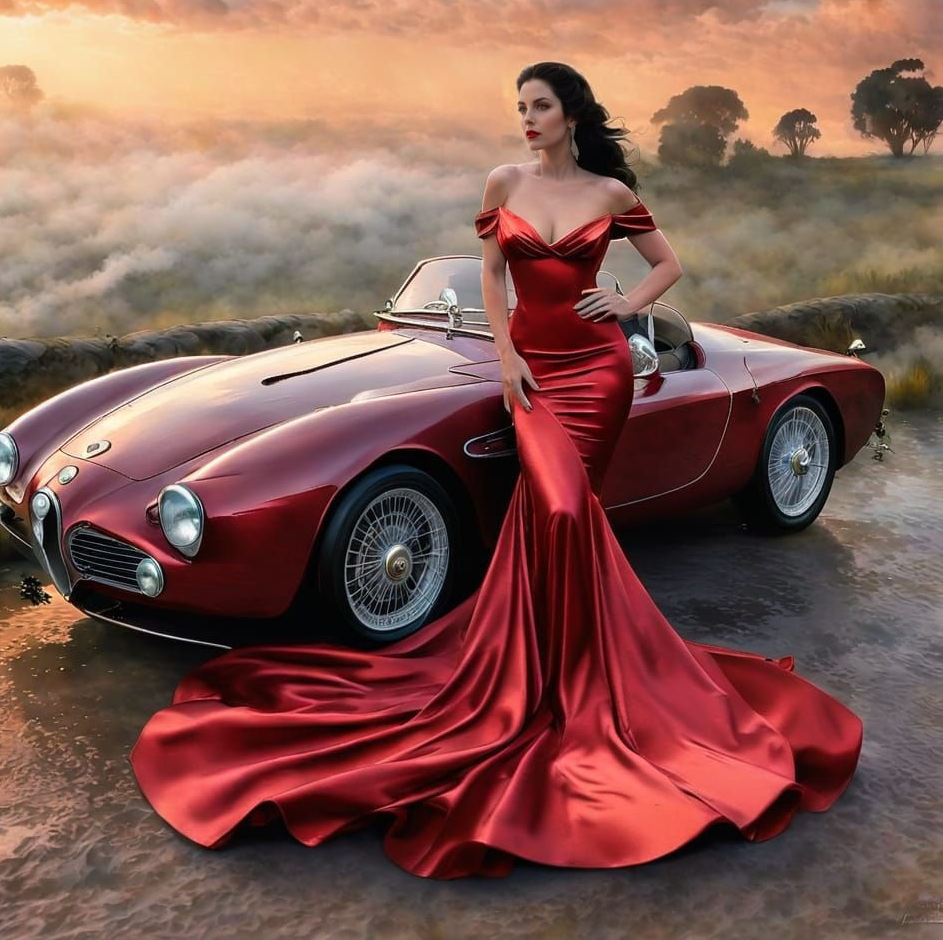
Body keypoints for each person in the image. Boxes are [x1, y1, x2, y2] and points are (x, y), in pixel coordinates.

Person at [129, 61, 863, 880]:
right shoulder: (502, 181)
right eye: (519, 106)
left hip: (598, 372)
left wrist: (623, 306)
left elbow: (670, 266)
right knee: (547, 507)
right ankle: (537, 662)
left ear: (570, 112)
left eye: (539, 105)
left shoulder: (611, 195)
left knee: (562, 508)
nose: (526, 118)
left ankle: (572, 673)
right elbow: (490, 276)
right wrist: (509, 359)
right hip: (531, 372)